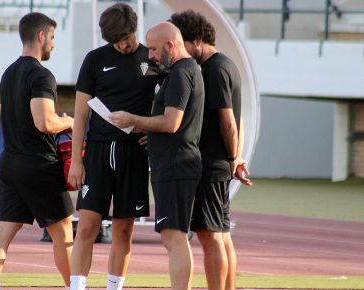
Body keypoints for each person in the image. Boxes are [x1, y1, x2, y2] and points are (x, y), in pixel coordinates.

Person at [67, 3, 163, 290]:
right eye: (115, 41)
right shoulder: (95, 60)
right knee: (86, 227)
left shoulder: (151, 59)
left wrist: (152, 130)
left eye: (125, 38)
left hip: (133, 154)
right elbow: (81, 114)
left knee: (123, 230)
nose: (122, 45)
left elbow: (172, 104)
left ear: (134, 29)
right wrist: (76, 160)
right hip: (97, 153)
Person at [110, 21, 205, 290]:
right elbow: (169, 122)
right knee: (173, 237)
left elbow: (171, 122)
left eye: (153, 49)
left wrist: (134, 120)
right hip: (175, 163)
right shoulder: (184, 70)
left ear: (170, 46)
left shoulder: (179, 73)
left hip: (176, 165)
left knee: (174, 238)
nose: (149, 55)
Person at [0, 12, 75, 290]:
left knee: (3, 231)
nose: (53, 44)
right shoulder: (41, 75)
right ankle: (76, 286)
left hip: (9, 162)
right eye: (52, 37)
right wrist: (70, 122)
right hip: (38, 165)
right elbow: (45, 122)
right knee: (64, 233)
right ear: (40, 36)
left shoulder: (8, 73)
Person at [169, 10, 252, 290]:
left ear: (198, 40)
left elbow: (228, 120)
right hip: (219, 162)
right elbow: (236, 121)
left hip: (212, 164)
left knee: (210, 235)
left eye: (183, 42)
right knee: (221, 234)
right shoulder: (224, 65)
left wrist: (232, 159)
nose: (179, 49)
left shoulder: (215, 70)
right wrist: (236, 158)